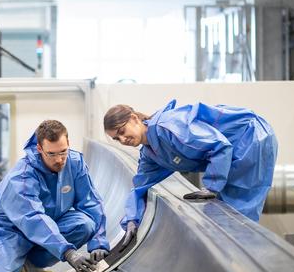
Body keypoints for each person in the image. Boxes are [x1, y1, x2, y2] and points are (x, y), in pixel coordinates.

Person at [0, 119, 110, 272]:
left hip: (52, 223)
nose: (59, 159)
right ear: (39, 149)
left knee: (85, 224)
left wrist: (99, 241)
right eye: (51, 154)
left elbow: (90, 202)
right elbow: (34, 220)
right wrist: (69, 253)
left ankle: (27, 263)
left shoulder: (75, 163)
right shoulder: (21, 178)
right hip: (13, 230)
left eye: (63, 151)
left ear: (68, 143)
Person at [103, 99, 278, 247]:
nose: (123, 140)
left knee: (238, 213)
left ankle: (245, 265)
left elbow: (219, 146)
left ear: (134, 119)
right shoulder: (150, 152)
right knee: (227, 217)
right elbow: (140, 186)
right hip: (235, 148)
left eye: (122, 131)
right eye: (117, 139)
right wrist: (132, 219)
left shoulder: (169, 127)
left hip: (250, 138)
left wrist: (211, 186)